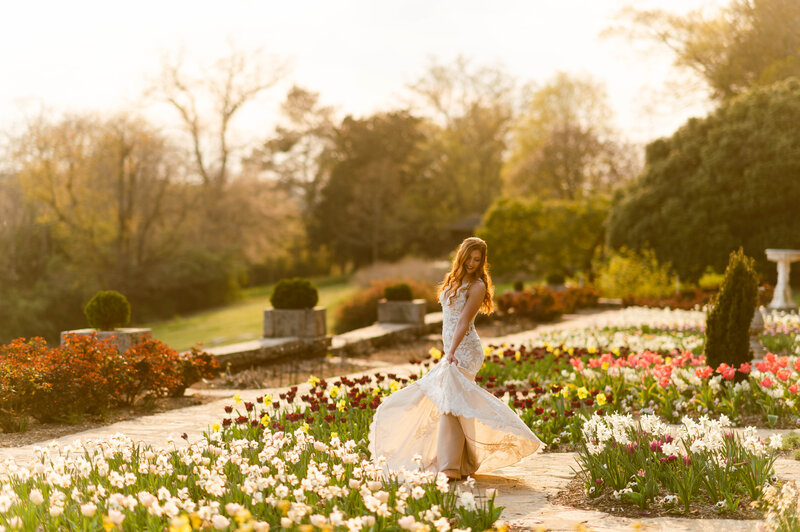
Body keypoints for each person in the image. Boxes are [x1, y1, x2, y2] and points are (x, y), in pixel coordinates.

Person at [368, 237, 543, 481]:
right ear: (461, 256)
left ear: (482, 262)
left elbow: (463, 321)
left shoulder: (477, 286)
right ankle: (462, 464)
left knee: (451, 404)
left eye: (477, 260)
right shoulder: (453, 281)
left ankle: (451, 466)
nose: (472, 263)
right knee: (452, 405)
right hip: (452, 348)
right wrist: (448, 349)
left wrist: (450, 350)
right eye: (469, 258)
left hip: (465, 350)